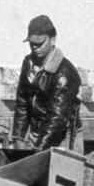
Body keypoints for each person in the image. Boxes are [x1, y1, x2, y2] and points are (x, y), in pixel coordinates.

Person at [9, 14, 82, 151]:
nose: (35, 47)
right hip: (36, 133)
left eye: (39, 43)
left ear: (52, 39)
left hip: (62, 138)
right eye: (32, 43)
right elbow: (22, 102)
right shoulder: (28, 64)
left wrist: (39, 150)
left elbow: (57, 118)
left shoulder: (65, 74)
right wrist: (18, 138)